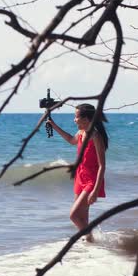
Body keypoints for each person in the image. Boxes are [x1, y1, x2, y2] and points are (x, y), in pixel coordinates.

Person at [46, 104, 107, 243]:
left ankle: (89, 236)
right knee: (83, 217)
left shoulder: (95, 136)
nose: (74, 120)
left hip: (91, 180)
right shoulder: (81, 133)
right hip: (80, 177)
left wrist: (96, 190)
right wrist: (53, 125)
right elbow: (70, 140)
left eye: (76, 117)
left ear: (86, 119)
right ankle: (90, 244)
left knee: (74, 215)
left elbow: (102, 165)